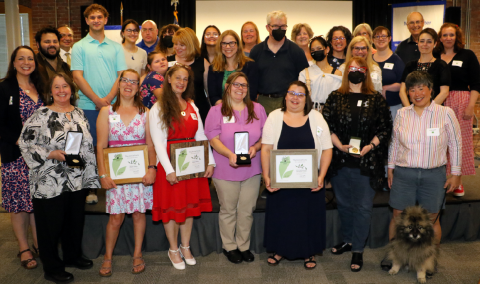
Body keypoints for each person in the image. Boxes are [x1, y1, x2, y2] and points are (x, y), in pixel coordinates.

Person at [19, 73, 99, 283]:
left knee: (74, 222)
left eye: (65, 86)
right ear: (51, 91)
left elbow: (87, 146)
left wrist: (91, 176)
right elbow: (24, 143)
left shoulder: (80, 113)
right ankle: (52, 267)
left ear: (72, 90)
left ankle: (72, 256)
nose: (62, 90)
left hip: (76, 179)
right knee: (50, 226)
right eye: (57, 87)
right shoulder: (41, 115)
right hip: (48, 180)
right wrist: (49, 154)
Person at [385, 71, 462, 275]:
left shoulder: (446, 113)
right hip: (404, 173)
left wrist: (456, 173)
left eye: (421, 87)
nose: (417, 93)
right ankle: (395, 255)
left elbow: (455, 144)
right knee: (398, 216)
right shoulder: (402, 114)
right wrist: (390, 168)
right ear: (408, 93)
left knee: (432, 219)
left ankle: (430, 259)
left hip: (433, 175)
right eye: (412, 89)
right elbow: (394, 144)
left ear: (430, 89)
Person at [322, 57, 392, 272]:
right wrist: (339, 146)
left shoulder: (376, 99)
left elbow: (385, 128)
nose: (355, 71)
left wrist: (370, 146)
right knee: (343, 204)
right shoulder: (335, 97)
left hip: (367, 161)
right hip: (341, 159)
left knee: (362, 207)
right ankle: (348, 240)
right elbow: (326, 125)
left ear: (366, 72)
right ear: (346, 72)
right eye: (351, 68)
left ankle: (358, 250)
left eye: (359, 68)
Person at [149, 64, 215, 270]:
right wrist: (168, 169)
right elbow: (158, 142)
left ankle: (185, 246)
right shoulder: (158, 107)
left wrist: (210, 161)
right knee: (172, 209)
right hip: (171, 165)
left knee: (188, 208)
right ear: (168, 79)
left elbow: (201, 135)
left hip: (192, 164)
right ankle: (173, 249)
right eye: (177, 77)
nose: (181, 82)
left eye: (185, 79)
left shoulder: (192, 106)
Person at [261, 81, 333, 270]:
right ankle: (279, 250)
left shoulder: (316, 117)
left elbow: (327, 149)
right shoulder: (274, 117)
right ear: (285, 96)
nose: (295, 97)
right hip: (281, 181)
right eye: (292, 93)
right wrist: (266, 177)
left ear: (306, 98)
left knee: (307, 217)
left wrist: (321, 176)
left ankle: (308, 251)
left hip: (310, 183)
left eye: (300, 94)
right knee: (282, 215)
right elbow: (266, 149)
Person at [96, 69, 156, 277]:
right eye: (125, 81)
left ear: (139, 87)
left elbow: (150, 145)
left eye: (134, 82)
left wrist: (152, 169)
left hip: (140, 174)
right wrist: (103, 175)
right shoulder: (106, 112)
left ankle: (138, 254)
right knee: (115, 218)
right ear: (119, 84)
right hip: (116, 173)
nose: (129, 85)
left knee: (139, 214)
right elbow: (101, 146)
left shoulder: (146, 112)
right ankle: (108, 257)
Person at [205, 72, 267, 264]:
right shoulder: (217, 111)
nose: (240, 89)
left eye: (244, 85)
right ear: (227, 87)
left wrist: (256, 147)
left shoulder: (257, 108)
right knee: (228, 209)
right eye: (236, 85)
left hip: (252, 168)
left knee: (247, 209)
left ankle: (243, 245)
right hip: (225, 167)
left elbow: (266, 136)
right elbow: (212, 139)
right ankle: (229, 246)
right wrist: (229, 154)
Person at [0, 46, 44, 271]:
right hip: (16, 156)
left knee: (36, 201)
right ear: (14, 62)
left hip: (41, 158)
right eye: (21, 59)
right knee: (19, 204)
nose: (26, 62)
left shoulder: (41, 87)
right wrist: (19, 141)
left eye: (30, 58)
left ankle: (39, 243)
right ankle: (24, 247)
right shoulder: (5, 87)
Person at [72, 3, 127, 146]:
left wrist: (107, 100)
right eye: (92, 17)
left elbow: (122, 75)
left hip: (113, 105)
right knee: (91, 149)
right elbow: (77, 77)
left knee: (114, 147)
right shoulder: (79, 46)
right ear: (87, 21)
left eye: (99, 17)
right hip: (89, 107)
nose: (96, 20)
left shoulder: (116, 47)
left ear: (106, 20)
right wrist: (97, 100)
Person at [437, 23, 479, 196]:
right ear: (440, 38)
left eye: (451, 35)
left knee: (459, 142)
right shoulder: (434, 56)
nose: (448, 38)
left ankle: (458, 181)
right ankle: (441, 180)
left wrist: (471, 106)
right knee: (439, 140)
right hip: (439, 101)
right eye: (445, 35)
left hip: (461, 102)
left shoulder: (467, 55)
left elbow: (477, 83)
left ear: (457, 37)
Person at [250, 10, 309, 115]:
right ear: (268, 28)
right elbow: (250, 78)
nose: (280, 29)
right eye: (276, 27)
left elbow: (304, 80)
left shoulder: (296, 51)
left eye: (283, 26)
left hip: (289, 102)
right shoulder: (256, 51)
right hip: (263, 102)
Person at [167, 28, 211, 123]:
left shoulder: (202, 62)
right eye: (175, 44)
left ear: (191, 45)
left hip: (200, 110)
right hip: (173, 110)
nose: (177, 48)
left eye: (182, 45)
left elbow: (209, 90)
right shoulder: (167, 61)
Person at [399, 28, 450, 107]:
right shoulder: (410, 65)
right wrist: (409, 110)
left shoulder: (441, 65)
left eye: (429, 41)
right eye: (422, 41)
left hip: (434, 112)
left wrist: (427, 111)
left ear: (435, 44)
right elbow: (402, 91)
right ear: (418, 43)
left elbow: (444, 92)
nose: (425, 44)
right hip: (413, 113)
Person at [208, 30, 259, 105]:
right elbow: (213, 96)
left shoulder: (250, 66)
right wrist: (226, 109)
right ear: (220, 46)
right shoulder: (214, 68)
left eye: (231, 43)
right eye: (224, 43)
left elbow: (251, 95)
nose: (228, 47)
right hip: (222, 110)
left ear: (238, 45)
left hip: (244, 110)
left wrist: (236, 108)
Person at [298, 35, 342, 111]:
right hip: (310, 112)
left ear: (327, 49)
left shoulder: (337, 74)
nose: (316, 51)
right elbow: (301, 96)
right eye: (313, 50)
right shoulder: (304, 73)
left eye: (319, 48)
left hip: (331, 113)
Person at [372, 26, 405, 119]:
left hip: (393, 107)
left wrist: (386, 88)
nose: (380, 39)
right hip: (372, 107)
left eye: (383, 36)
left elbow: (403, 84)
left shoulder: (397, 60)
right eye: (377, 37)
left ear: (390, 38)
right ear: (372, 40)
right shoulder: (369, 60)